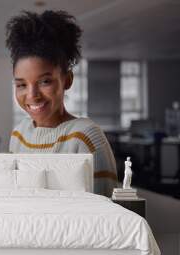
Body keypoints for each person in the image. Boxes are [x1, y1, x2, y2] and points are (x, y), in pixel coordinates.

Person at [6, 10, 117, 196]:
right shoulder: (19, 134)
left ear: (67, 80)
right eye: (21, 84)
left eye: (45, 81)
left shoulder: (85, 137)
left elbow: (105, 215)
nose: (32, 95)